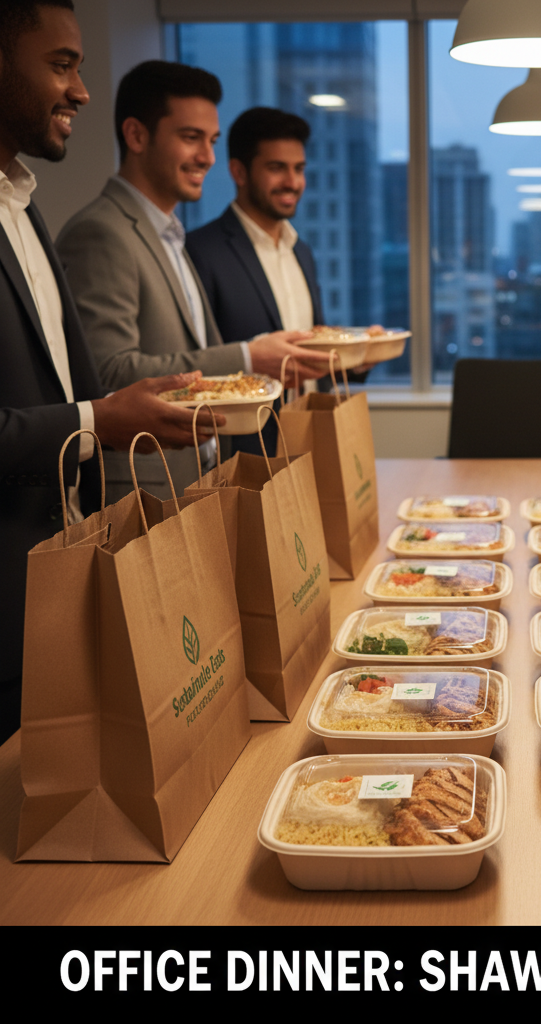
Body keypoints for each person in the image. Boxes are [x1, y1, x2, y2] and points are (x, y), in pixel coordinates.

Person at [0, 0, 227, 743]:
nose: (81, 90)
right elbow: (101, 387)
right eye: (61, 64)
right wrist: (100, 420)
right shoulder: (97, 229)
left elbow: (74, 380)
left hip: (64, 563)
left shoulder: (25, 208)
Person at [56, 61, 332, 500]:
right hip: (144, 490)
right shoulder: (101, 232)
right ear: (136, 136)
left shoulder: (169, 234)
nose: (207, 157)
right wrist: (248, 356)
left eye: (212, 141)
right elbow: (109, 373)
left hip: (198, 473)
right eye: (190, 137)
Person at [186, 106, 330, 458]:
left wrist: (354, 360)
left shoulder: (302, 251)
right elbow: (195, 363)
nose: (292, 182)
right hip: (243, 453)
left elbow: (311, 347)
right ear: (238, 171)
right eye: (276, 168)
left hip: (308, 443)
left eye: (299, 169)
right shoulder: (200, 251)